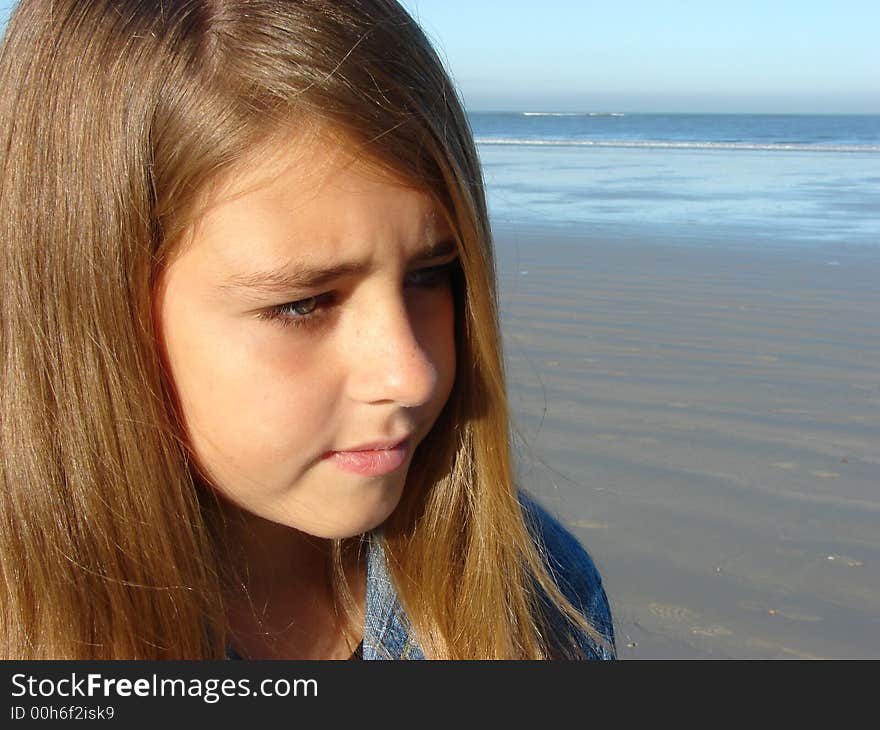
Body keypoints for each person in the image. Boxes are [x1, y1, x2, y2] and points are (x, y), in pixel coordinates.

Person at [0, 0, 614, 660]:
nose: (411, 374)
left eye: (431, 275)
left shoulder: (537, 593)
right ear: (89, 304)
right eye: (303, 305)